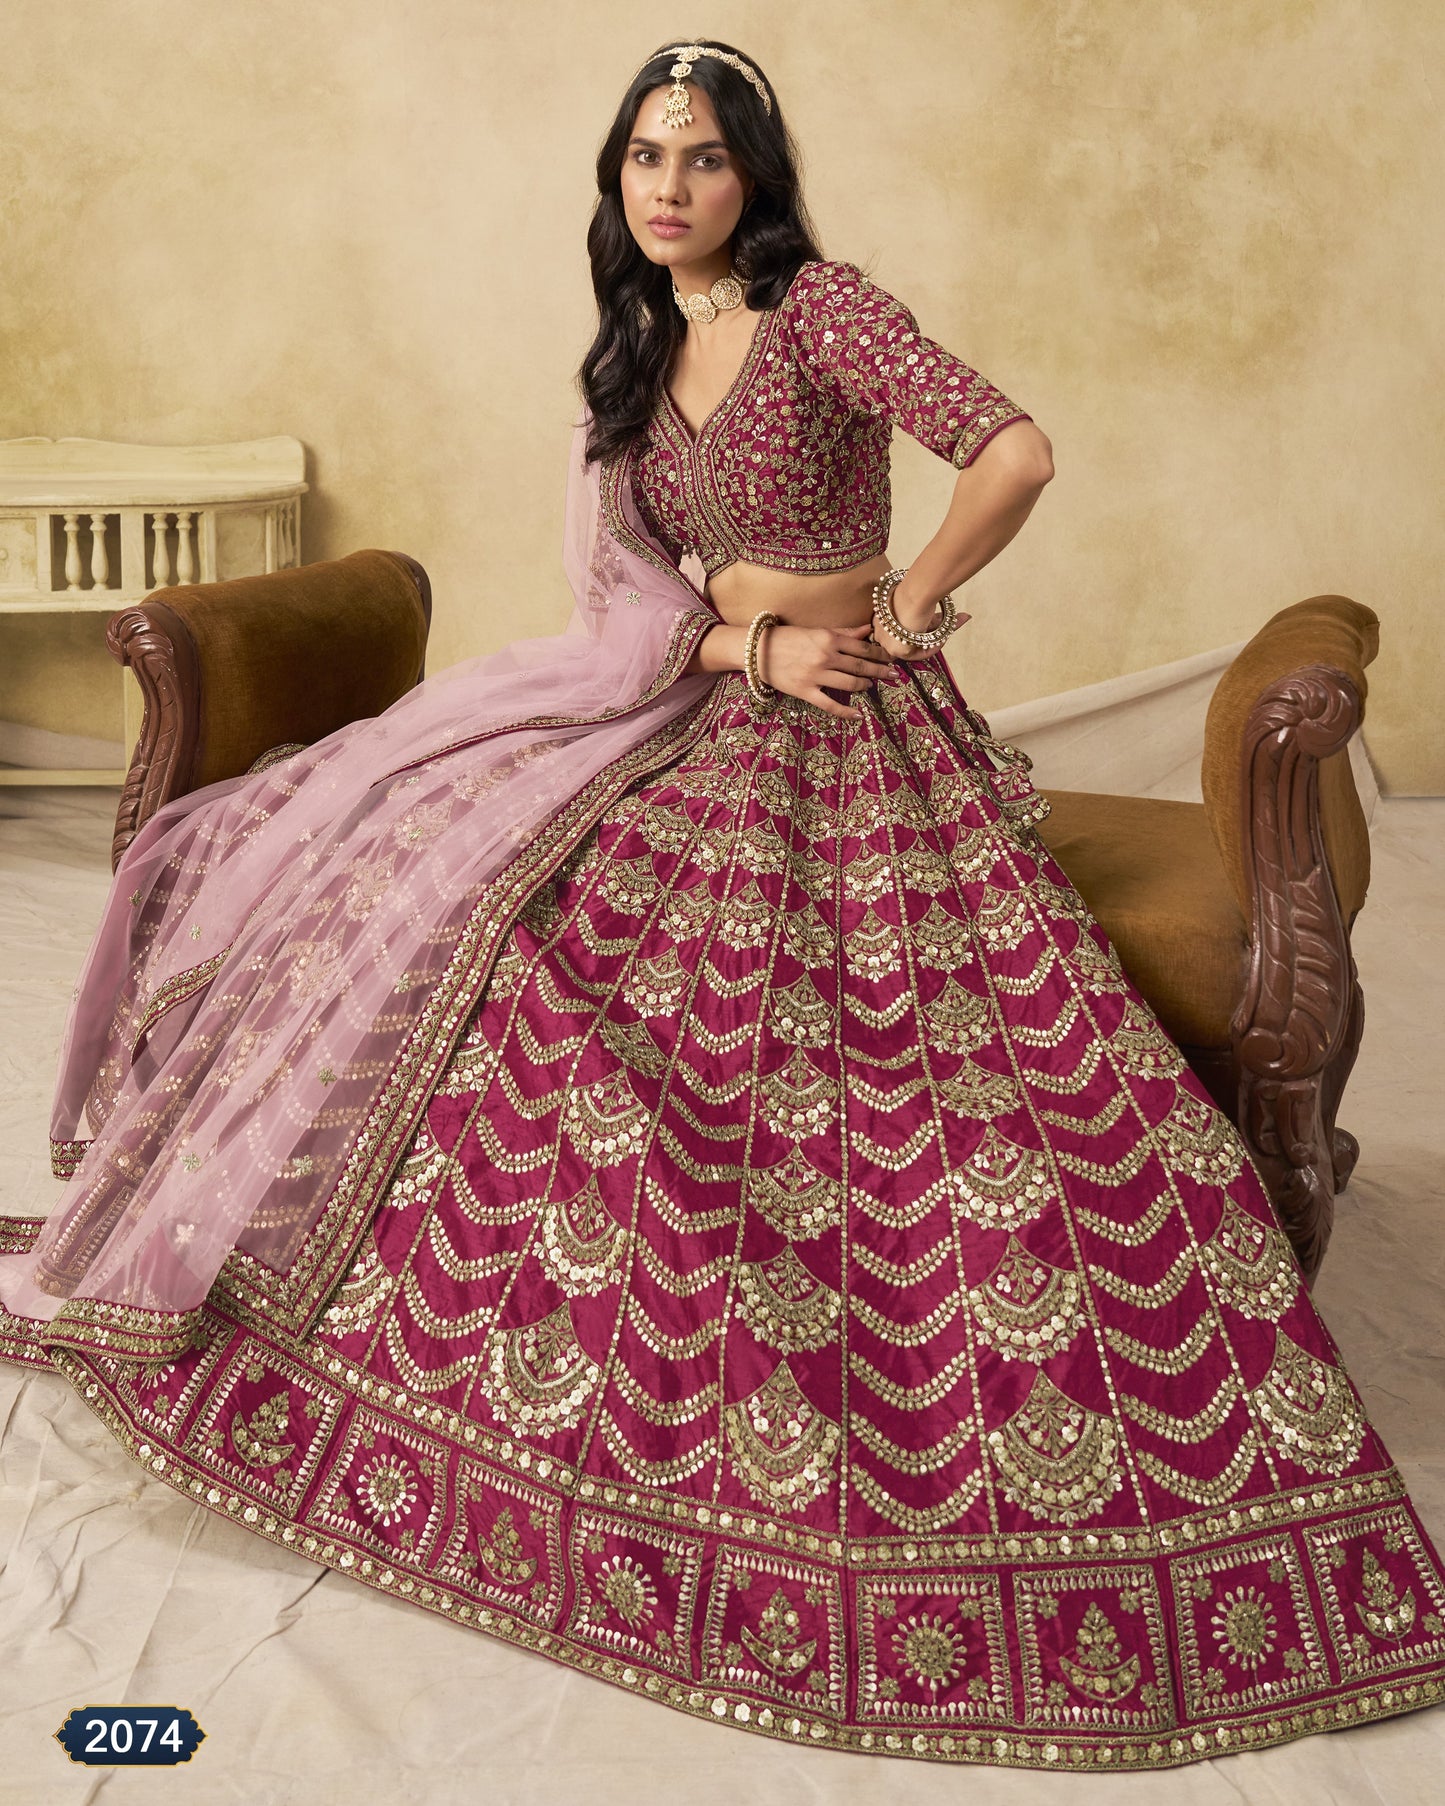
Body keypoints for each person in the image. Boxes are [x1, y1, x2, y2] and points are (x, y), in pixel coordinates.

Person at [2, 36, 1443, 1775]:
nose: (668, 188)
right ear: (615, 184)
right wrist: (737, 639)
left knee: (923, 1068)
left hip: (857, 735)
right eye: (640, 159)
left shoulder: (823, 310)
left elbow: (1016, 450)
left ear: (752, 174)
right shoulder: (630, 348)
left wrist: (900, 610)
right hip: (705, 703)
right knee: (507, 936)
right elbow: (624, 587)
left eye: (699, 156)